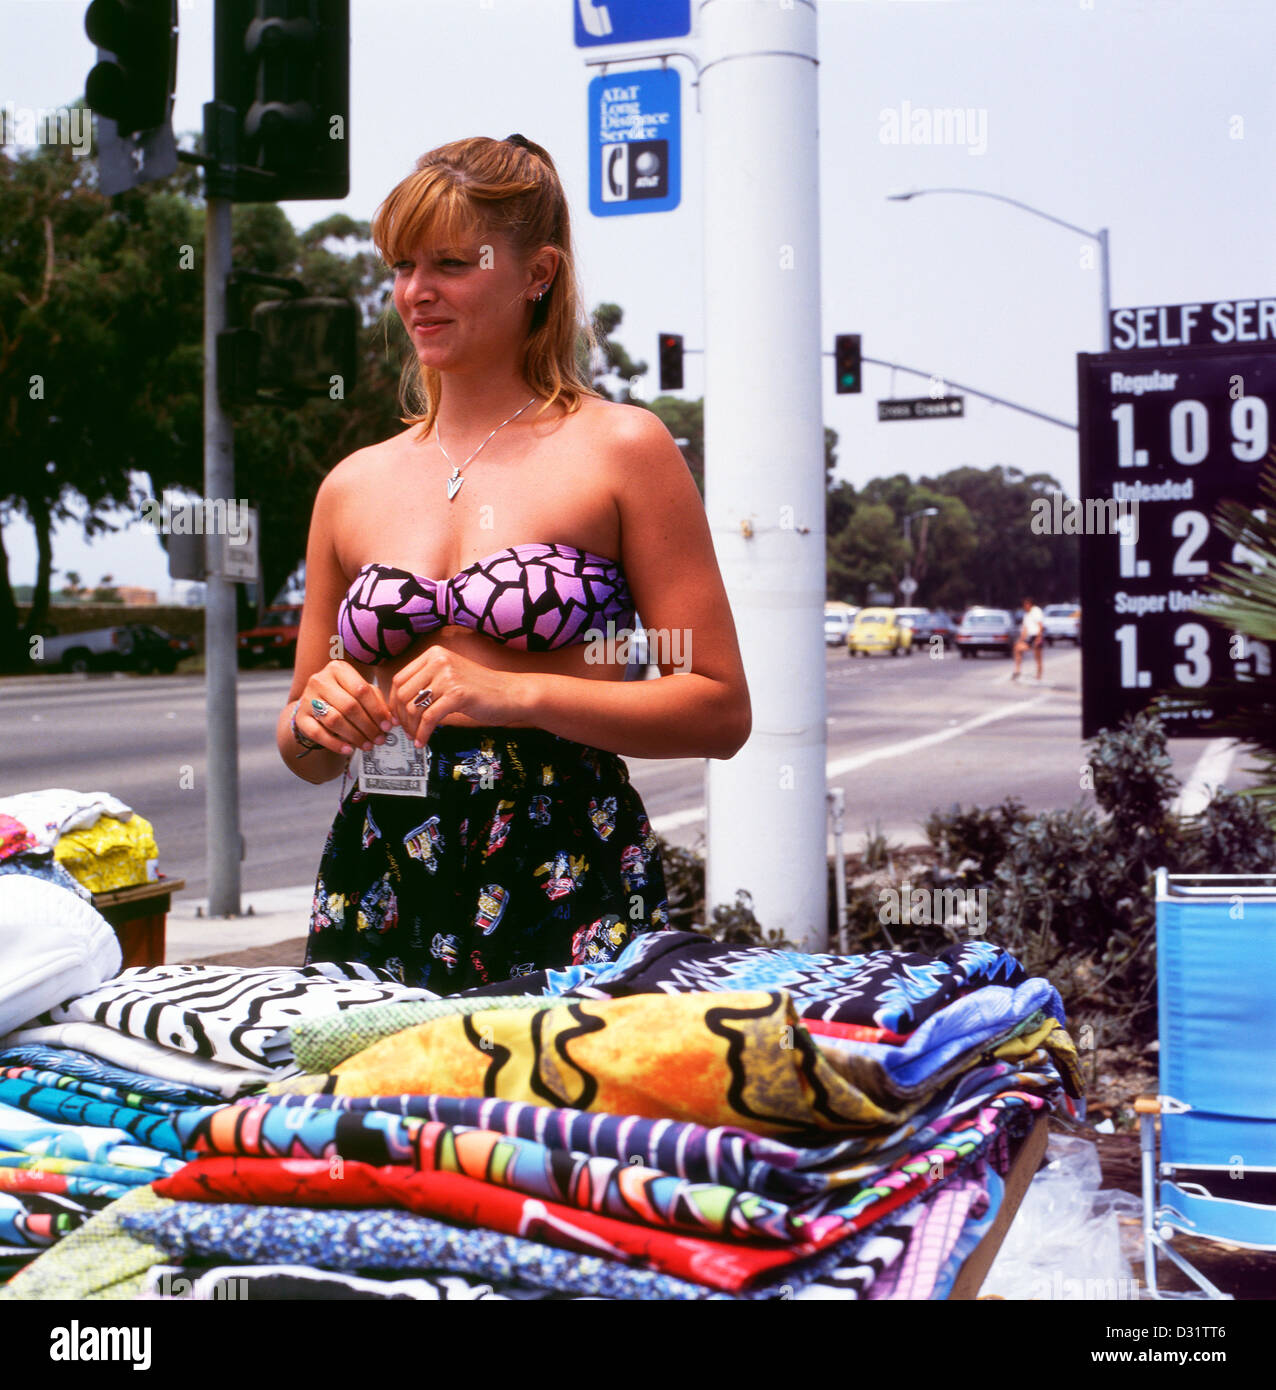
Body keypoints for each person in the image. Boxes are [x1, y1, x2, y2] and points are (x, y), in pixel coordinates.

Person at [276, 135, 751, 993]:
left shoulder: (621, 448)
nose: (416, 293)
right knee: (378, 1125)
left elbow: (718, 708)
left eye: (452, 263)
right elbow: (303, 749)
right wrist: (320, 712)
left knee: (561, 1123)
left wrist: (520, 694)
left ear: (538, 272)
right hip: (382, 874)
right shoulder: (351, 485)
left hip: (561, 864)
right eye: (403, 266)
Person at [1012, 595, 1044, 681]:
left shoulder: (1036, 611)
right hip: (1029, 637)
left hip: (1036, 636)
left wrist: (1039, 637)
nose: (1024, 607)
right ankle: (1017, 671)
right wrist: (1020, 640)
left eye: (1025, 605)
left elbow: (1040, 625)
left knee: (1038, 658)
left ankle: (1039, 674)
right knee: (1017, 648)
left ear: (1029, 604)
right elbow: (1025, 629)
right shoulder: (1026, 615)